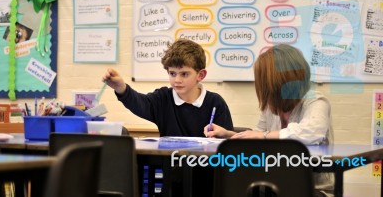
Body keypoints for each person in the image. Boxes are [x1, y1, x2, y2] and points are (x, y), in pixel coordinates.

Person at [204, 44, 334, 197]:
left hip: (313, 189)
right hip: (272, 185)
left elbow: (312, 132)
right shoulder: (271, 105)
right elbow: (257, 138)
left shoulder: (315, 101)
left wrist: (264, 135)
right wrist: (229, 135)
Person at [103, 38, 234, 136]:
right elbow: (140, 103)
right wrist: (121, 88)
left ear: (200, 75)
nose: (177, 80)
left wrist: (225, 135)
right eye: (172, 73)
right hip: (172, 167)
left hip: (206, 168)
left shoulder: (215, 103)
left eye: (184, 74)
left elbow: (228, 144)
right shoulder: (163, 98)